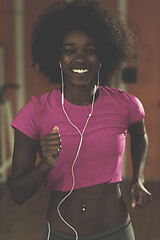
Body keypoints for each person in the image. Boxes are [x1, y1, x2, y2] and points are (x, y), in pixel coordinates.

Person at [10, 1, 152, 240]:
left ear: (103, 55)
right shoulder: (34, 112)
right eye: (69, 50)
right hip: (62, 232)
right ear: (58, 56)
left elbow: (140, 135)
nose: (80, 59)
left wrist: (138, 178)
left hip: (117, 230)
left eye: (90, 50)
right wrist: (45, 164)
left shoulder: (125, 104)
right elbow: (18, 194)